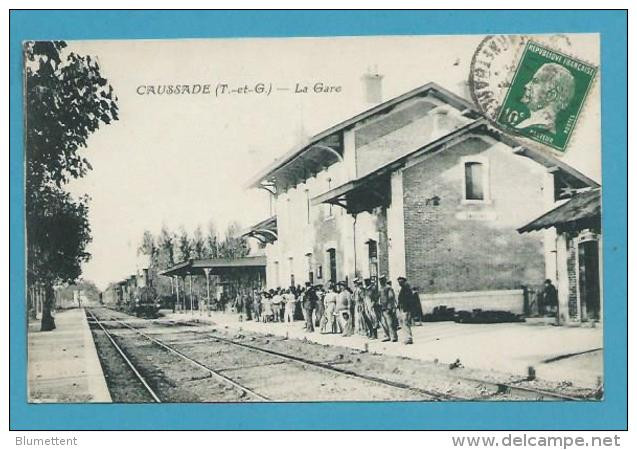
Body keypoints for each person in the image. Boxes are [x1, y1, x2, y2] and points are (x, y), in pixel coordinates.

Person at [397, 276, 419, 344]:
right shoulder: (404, 288)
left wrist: (405, 308)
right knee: (404, 323)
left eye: (400, 282)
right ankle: (408, 337)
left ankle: (409, 338)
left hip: (406, 309)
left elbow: (407, 300)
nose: (399, 283)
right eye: (398, 282)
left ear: (403, 281)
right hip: (404, 308)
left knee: (406, 323)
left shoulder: (406, 288)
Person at [378, 275, 398, 342]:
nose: (380, 281)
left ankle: (394, 336)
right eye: (380, 280)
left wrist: (390, 307)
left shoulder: (388, 288)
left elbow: (391, 298)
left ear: (384, 280)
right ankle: (387, 336)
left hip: (388, 308)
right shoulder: (381, 288)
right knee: (384, 323)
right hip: (382, 307)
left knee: (390, 323)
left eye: (382, 280)